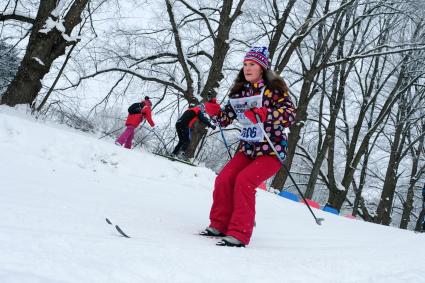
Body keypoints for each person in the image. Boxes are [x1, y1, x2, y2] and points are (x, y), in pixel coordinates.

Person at [199, 46, 296, 247]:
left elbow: (290, 115)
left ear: (262, 68)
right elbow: (225, 120)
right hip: (249, 149)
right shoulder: (240, 92)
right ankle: (219, 225)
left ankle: (239, 233)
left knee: (244, 181)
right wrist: (216, 112)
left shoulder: (275, 90)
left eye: (252, 64)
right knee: (225, 179)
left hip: (271, 150)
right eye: (245, 64)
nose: (247, 68)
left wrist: (265, 114)